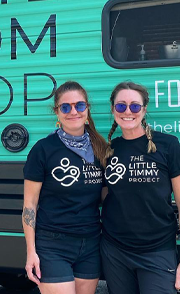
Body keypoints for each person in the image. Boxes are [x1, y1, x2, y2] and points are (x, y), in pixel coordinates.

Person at [100, 81, 180, 294]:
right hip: (115, 251)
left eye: (135, 106)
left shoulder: (168, 145)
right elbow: (105, 196)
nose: (127, 111)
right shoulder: (110, 149)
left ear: (144, 109)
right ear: (113, 109)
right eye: (120, 106)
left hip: (157, 250)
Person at [23, 81, 108, 294]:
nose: (73, 112)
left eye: (79, 106)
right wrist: (31, 252)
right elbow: (30, 205)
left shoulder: (101, 149)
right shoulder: (43, 149)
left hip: (90, 243)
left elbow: (107, 198)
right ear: (57, 112)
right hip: (53, 244)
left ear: (87, 109)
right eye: (65, 107)